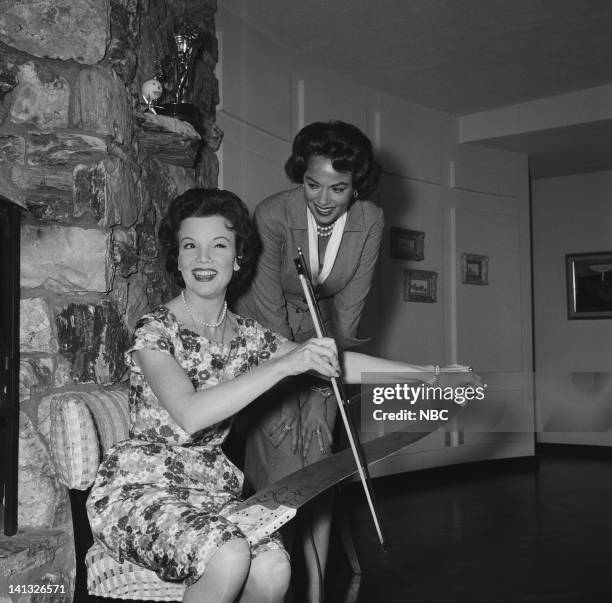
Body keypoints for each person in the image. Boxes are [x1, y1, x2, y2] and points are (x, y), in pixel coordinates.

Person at [86, 187, 478, 603]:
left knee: (274, 568)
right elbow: (190, 414)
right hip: (143, 489)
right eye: (190, 246)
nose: (203, 259)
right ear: (177, 258)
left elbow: (335, 362)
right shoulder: (155, 330)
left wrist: (430, 375)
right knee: (229, 551)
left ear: (237, 259)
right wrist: (283, 364)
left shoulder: (248, 335)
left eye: (218, 245)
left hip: (211, 490)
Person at [234, 120, 383, 601]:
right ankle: (282, 578)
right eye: (312, 184)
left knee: (317, 449)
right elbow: (269, 321)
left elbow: (346, 318)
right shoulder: (273, 213)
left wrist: (322, 395)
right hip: (265, 345)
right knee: (283, 462)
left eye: (338, 188)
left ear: (356, 185)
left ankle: (317, 587)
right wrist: (288, 383)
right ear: (300, 176)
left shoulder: (371, 222)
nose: (322, 199)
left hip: (325, 346)